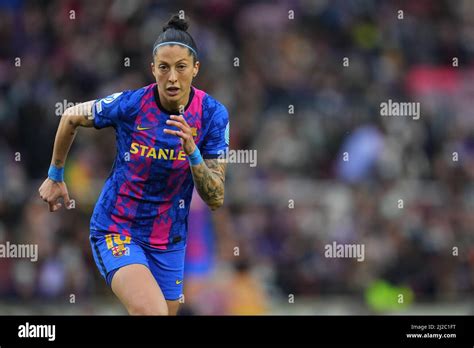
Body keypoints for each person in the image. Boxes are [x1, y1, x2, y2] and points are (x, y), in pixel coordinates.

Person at [38, 14, 229, 315]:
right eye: (164, 68)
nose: (172, 78)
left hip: (169, 241)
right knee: (152, 313)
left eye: (181, 67)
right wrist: (55, 174)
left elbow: (215, 197)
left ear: (196, 68)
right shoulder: (131, 105)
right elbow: (70, 116)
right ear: (152, 68)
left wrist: (193, 152)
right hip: (118, 228)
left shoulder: (212, 116)